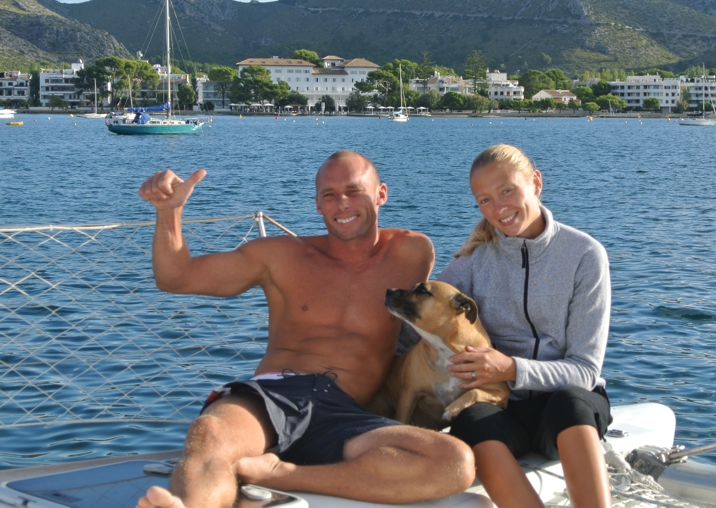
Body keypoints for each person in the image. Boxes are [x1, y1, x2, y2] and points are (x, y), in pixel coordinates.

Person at [135, 150, 475, 508]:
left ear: (381, 194)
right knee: (211, 435)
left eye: (353, 191)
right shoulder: (279, 256)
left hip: (346, 415)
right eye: (329, 195)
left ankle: (276, 473)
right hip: (274, 397)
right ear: (317, 204)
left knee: (453, 461)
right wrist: (169, 212)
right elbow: (176, 277)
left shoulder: (412, 253)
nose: (342, 203)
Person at [439, 143, 612, 508]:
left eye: (507, 191)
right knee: (470, 418)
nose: (498, 208)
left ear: (535, 182)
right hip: (503, 411)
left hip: (567, 412)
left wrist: (511, 368)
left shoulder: (584, 255)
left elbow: (585, 370)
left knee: (570, 402)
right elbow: (422, 315)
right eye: (485, 200)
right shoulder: (472, 262)